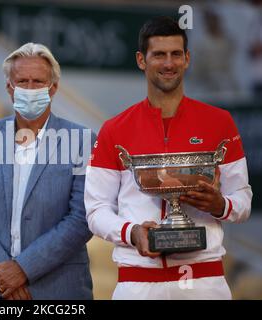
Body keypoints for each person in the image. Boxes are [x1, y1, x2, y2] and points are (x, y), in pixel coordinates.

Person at [85, 17, 252, 300]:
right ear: (141, 60)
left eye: (176, 54)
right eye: (159, 55)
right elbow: (96, 209)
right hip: (137, 283)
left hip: (204, 281)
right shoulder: (115, 129)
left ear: (187, 59)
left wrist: (220, 204)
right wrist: (132, 232)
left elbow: (243, 199)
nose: (168, 63)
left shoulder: (219, 122)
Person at [0, 42, 94, 300]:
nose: (30, 88)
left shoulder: (81, 140)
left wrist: (23, 269)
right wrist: (4, 274)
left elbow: (81, 218)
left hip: (59, 291)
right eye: (22, 81)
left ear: (53, 88)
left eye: (38, 81)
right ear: (9, 87)